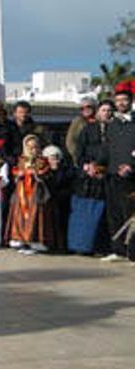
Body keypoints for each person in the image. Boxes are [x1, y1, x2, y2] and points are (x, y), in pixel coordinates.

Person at [68, 100, 111, 255]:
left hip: (106, 175)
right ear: (98, 112)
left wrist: (104, 168)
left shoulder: (116, 130)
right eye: (104, 110)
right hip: (86, 177)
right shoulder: (88, 129)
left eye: (109, 110)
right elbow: (78, 149)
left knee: (102, 214)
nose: (106, 113)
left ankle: (100, 247)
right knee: (83, 212)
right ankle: (80, 245)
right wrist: (86, 166)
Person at [7, 134, 55, 255]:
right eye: (30, 148)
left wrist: (35, 173)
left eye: (35, 147)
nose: (33, 150)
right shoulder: (21, 160)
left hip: (36, 192)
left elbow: (45, 173)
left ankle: (35, 240)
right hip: (22, 192)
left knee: (35, 215)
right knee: (20, 216)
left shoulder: (42, 160)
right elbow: (15, 171)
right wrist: (20, 173)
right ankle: (21, 239)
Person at [102, 85, 135, 263]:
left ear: (131, 102)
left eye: (124, 100)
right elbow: (107, 149)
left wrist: (131, 165)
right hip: (112, 174)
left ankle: (133, 252)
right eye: (118, 100)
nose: (121, 103)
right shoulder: (112, 125)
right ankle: (118, 250)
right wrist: (95, 165)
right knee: (114, 214)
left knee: (130, 215)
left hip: (131, 176)